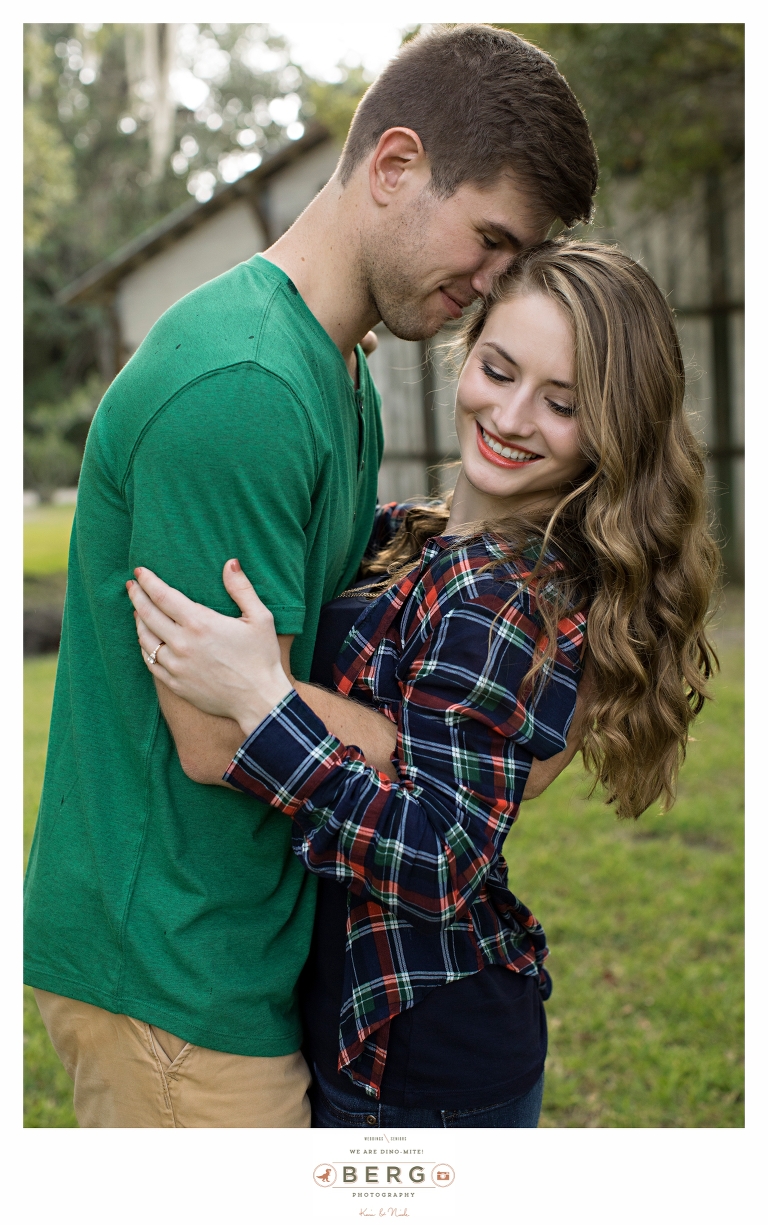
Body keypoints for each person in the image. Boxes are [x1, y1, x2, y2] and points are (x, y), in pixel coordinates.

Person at [24, 25, 599, 1128]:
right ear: (393, 166)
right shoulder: (245, 385)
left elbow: (316, 650)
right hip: (173, 969)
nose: (488, 285)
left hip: (243, 944)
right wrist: (443, 751)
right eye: (487, 240)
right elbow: (216, 727)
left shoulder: (336, 369)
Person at [127, 239, 721, 1128]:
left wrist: (263, 703)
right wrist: (325, 367)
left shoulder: (501, 593)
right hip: (390, 1026)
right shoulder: (425, 538)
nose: (514, 416)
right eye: (498, 368)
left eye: (562, 404)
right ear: (466, 347)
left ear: (614, 430)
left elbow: (443, 859)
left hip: (422, 1056)